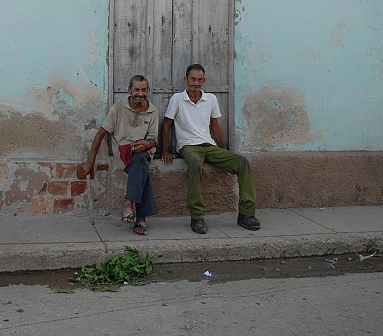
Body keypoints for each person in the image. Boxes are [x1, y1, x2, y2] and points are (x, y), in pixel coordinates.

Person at [161, 64, 260, 234]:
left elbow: (215, 126)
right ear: (186, 80)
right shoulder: (177, 99)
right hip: (188, 147)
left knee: (242, 163)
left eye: (200, 79)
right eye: (193, 79)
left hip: (209, 145)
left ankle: (246, 215)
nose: (196, 83)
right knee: (195, 166)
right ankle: (197, 217)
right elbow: (166, 125)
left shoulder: (211, 99)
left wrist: (225, 150)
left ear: (204, 81)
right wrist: (165, 150)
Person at [81, 75, 158, 235]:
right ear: (129, 90)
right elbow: (101, 133)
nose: (140, 93)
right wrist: (90, 161)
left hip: (142, 152)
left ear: (147, 91)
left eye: (143, 90)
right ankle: (140, 218)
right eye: (136, 89)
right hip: (123, 152)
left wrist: (147, 143)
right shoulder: (118, 108)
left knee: (140, 159)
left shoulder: (153, 111)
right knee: (141, 164)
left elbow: (154, 140)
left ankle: (129, 205)